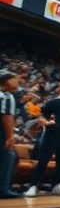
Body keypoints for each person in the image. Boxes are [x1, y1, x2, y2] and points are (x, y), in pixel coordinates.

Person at [24, 80, 60, 197]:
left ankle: (56, 186)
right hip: (51, 133)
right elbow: (40, 114)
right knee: (43, 160)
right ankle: (34, 186)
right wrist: (45, 122)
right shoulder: (54, 102)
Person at [0, 69, 23, 199]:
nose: (18, 81)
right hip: (1, 134)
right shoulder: (6, 96)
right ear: (7, 80)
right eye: (15, 78)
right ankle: (3, 189)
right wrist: (10, 137)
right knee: (10, 158)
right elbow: (6, 118)